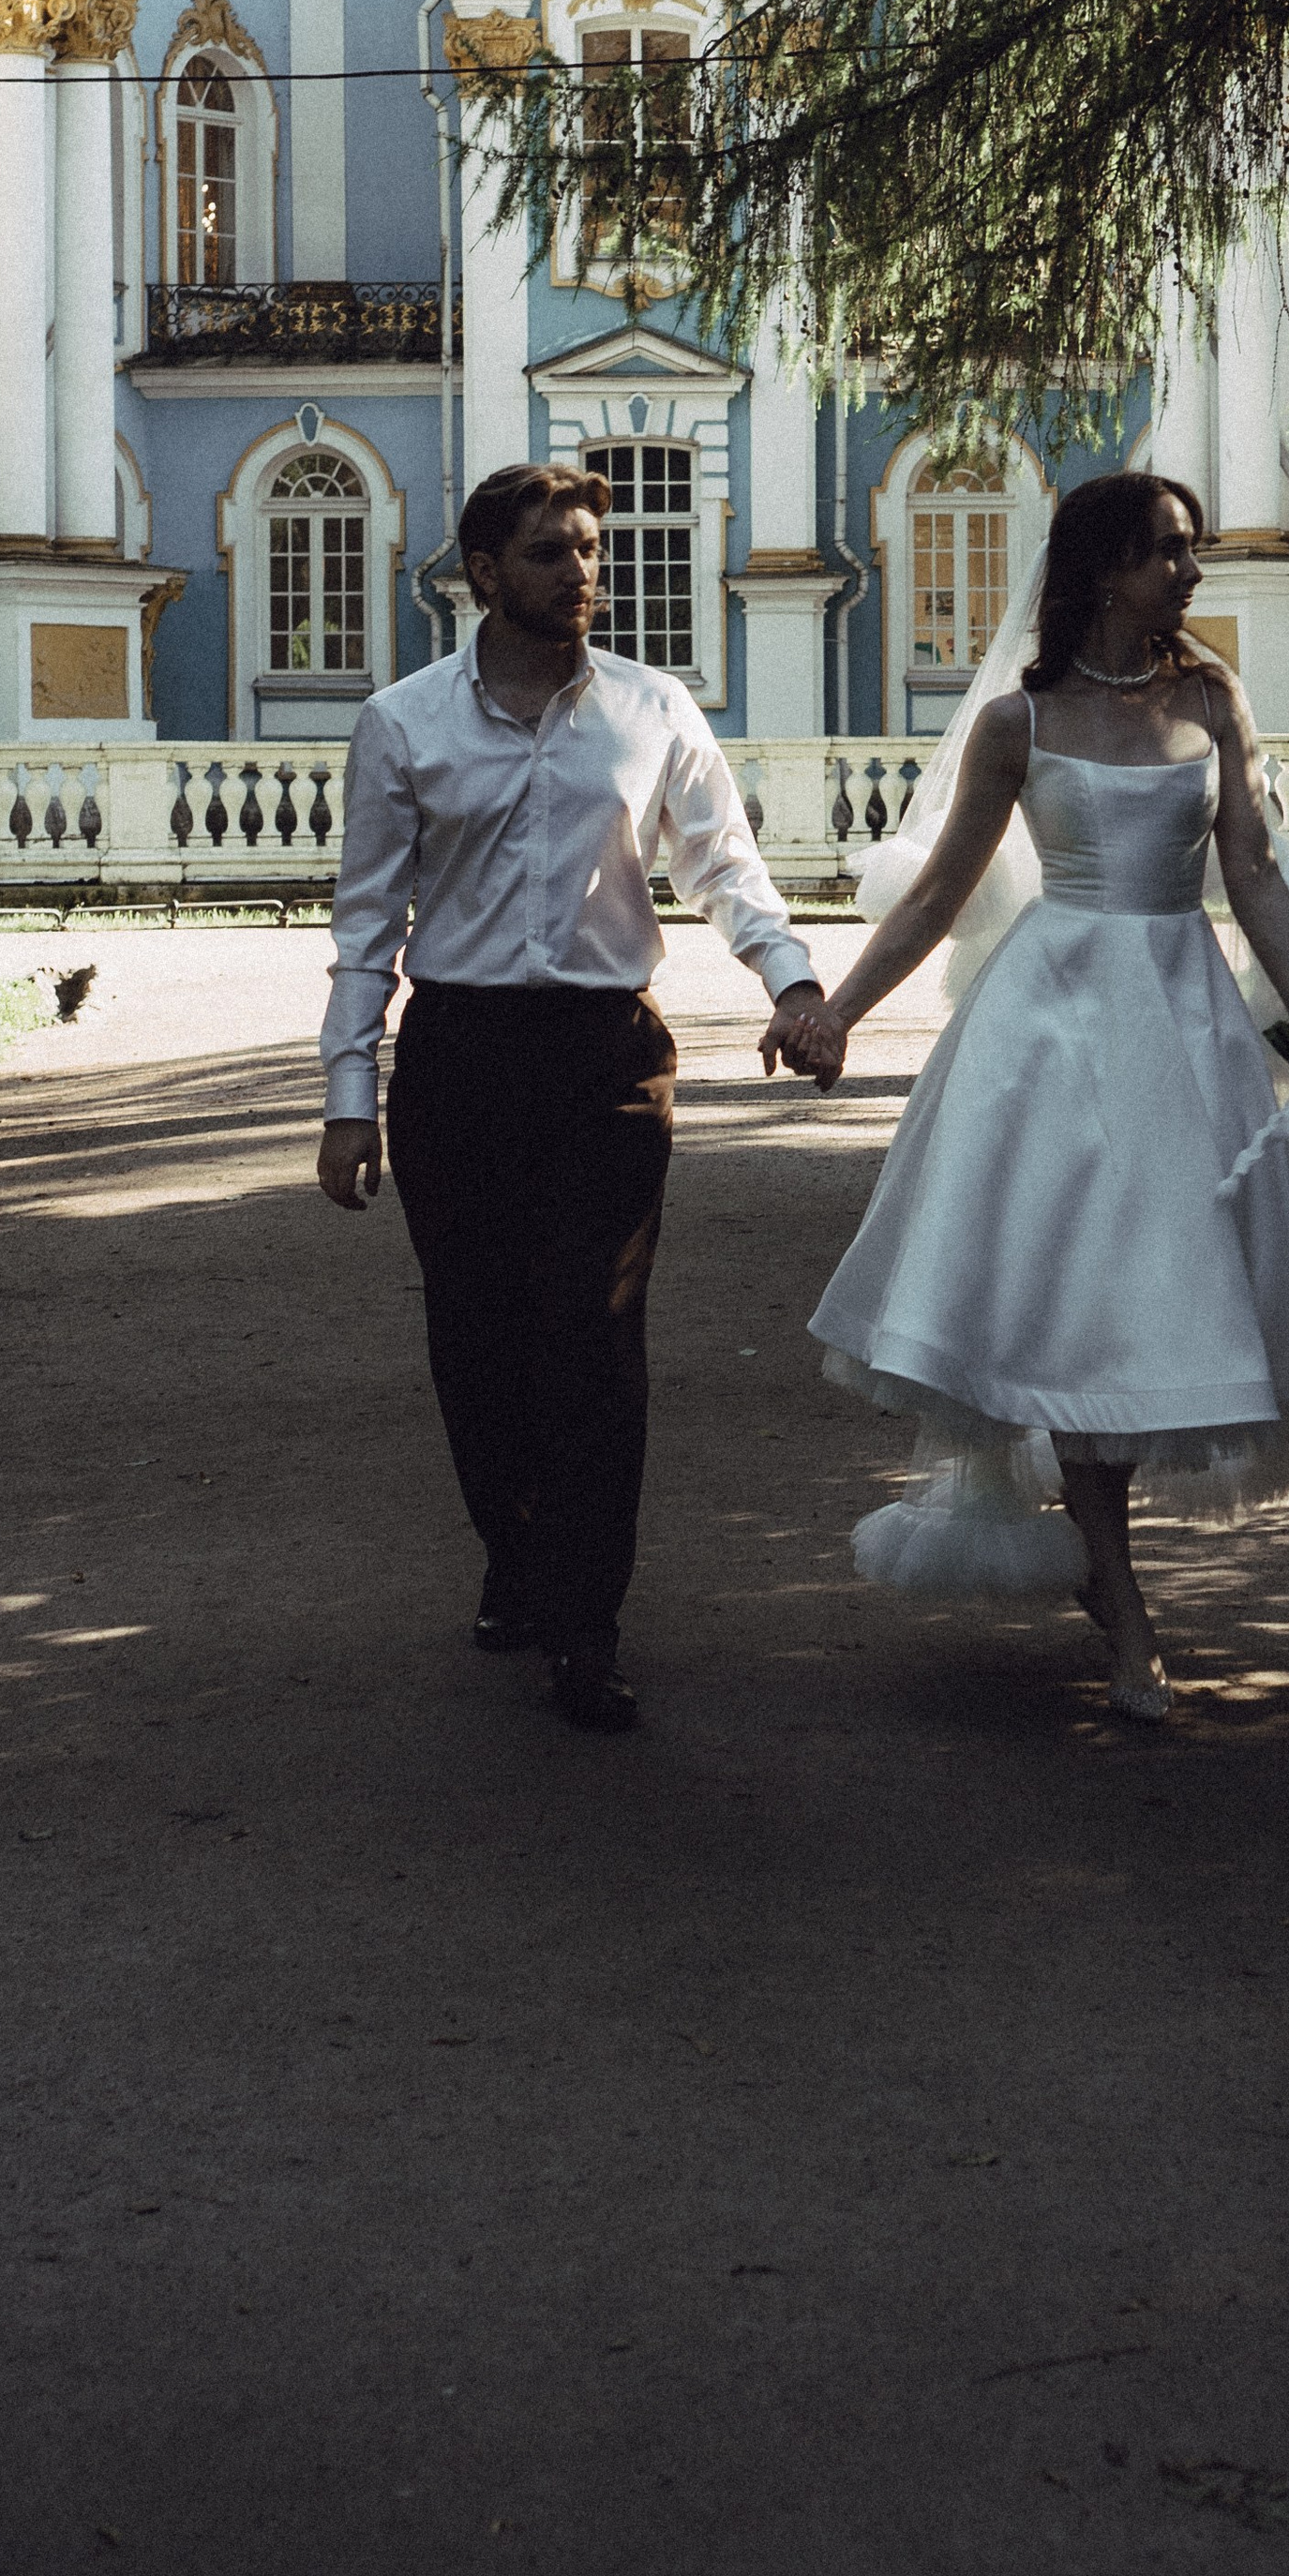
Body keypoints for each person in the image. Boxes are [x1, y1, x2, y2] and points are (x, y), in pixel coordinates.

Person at [764, 471, 1289, 1723]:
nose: (1191, 572)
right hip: (1049, 1030)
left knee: (1154, 1296)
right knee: (1066, 1308)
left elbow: (1258, 874)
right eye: (1169, 551)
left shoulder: (1214, 698)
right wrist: (834, 1009)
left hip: (1183, 1023)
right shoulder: (1021, 720)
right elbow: (942, 892)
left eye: (1194, 551)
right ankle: (1124, 1605)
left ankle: (1112, 1584)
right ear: (1104, 567)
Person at [318, 462, 830, 1732]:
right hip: (460, 1059)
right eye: (551, 552)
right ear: (484, 574)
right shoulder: (403, 723)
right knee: (476, 1340)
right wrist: (346, 1092)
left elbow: (727, 869)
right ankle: (519, 1551)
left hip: (606, 1060)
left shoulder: (654, 711)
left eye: (591, 550)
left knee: (595, 1338)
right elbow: (366, 918)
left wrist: (796, 981)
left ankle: (585, 1622)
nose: (583, 572)